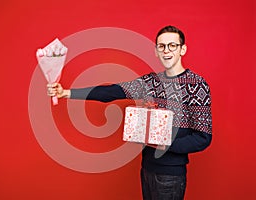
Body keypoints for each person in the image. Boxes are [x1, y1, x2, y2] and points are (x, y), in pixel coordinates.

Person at [47, 25, 212, 200]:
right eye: (161, 46)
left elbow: (203, 137)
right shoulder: (150, 82)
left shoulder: (196, 85)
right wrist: (66, 93)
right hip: (147, 168)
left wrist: (166, 145)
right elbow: (111, 92)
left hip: (171, 174)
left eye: (173, 45)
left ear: (182, 49)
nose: (166, 51)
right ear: (156, 51)